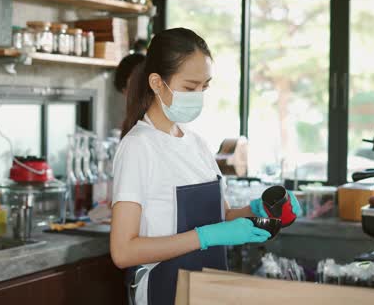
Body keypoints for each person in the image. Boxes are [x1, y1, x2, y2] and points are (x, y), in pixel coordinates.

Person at [110, 28, 301, 305]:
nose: (198, 95)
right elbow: (123, 251)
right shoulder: (138, 147)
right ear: (157, 83)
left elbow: (220, 216)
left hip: (209, 291)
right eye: (190, 87)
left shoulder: (197, 144)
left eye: (205, 86)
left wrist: (256, 211)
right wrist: (205, 237)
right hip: (165, 293)